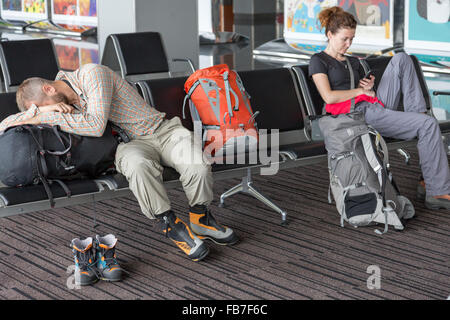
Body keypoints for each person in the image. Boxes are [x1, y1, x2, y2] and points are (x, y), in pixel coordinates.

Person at [0, 63, 239, 261]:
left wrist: (47, 114)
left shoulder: (92, 74)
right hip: (127, 146)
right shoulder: (63, 103)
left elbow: (95, 125)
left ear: (49, 89)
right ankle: (170, 224)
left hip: (163, 131)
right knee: (138, 167)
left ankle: (201, 218)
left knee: (195, 162)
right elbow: (4, 125)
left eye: (46, 108)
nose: (51, 116)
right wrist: (44, 111)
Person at [309, 6, 450, 210]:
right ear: (330, 35)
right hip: (355, 117)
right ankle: (436, 189)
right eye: (344, 39)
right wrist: (360, 93)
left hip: (372, 106)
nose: (348, 44)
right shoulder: (319, 61)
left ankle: (417, 118)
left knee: (402, 58)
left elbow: (364, 93)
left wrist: (369, 90)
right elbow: (329, 97)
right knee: (428, 125)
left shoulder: (352, 62)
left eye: (352, 39)